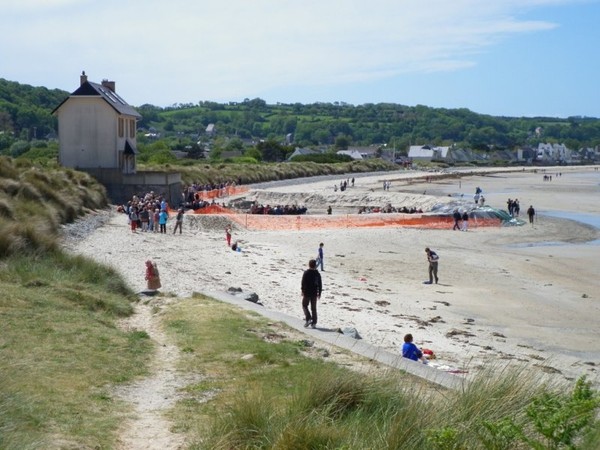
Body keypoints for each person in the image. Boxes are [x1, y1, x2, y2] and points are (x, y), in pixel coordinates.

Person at [301, 259, 322, 328]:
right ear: (315, 265)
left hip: (307, 292)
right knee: (314, 308)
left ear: (309, 265)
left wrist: (302, 291)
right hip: (314, 293)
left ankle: (308, 318)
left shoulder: (306, 273)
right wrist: (320, 293)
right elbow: (320, 284)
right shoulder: (317, 274)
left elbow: (303, 283)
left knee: (304, 305)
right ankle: (314, 323)